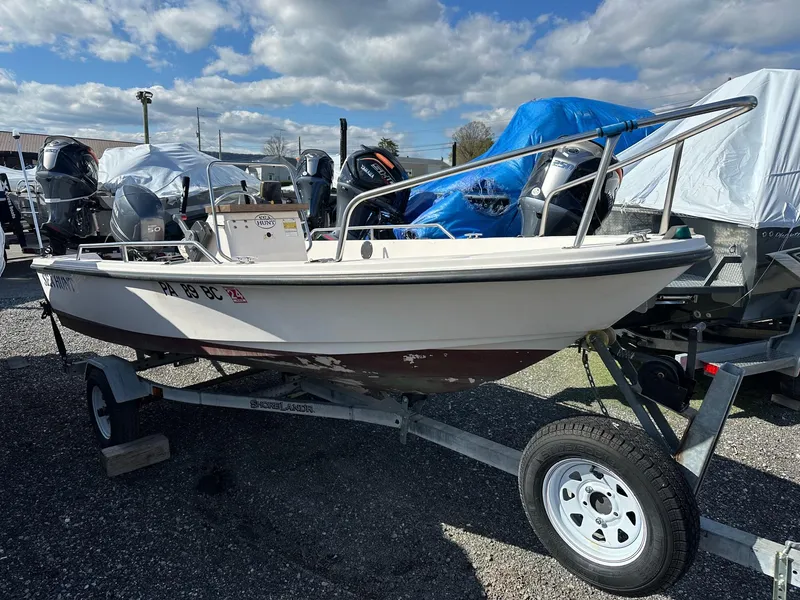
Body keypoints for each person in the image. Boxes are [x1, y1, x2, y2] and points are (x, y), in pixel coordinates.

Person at [0, 172, 29, 250]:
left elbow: (7, 191)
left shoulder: (2, 176)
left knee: (16, 221)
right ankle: (4, 247)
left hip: (7, 202)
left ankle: (23, 244)